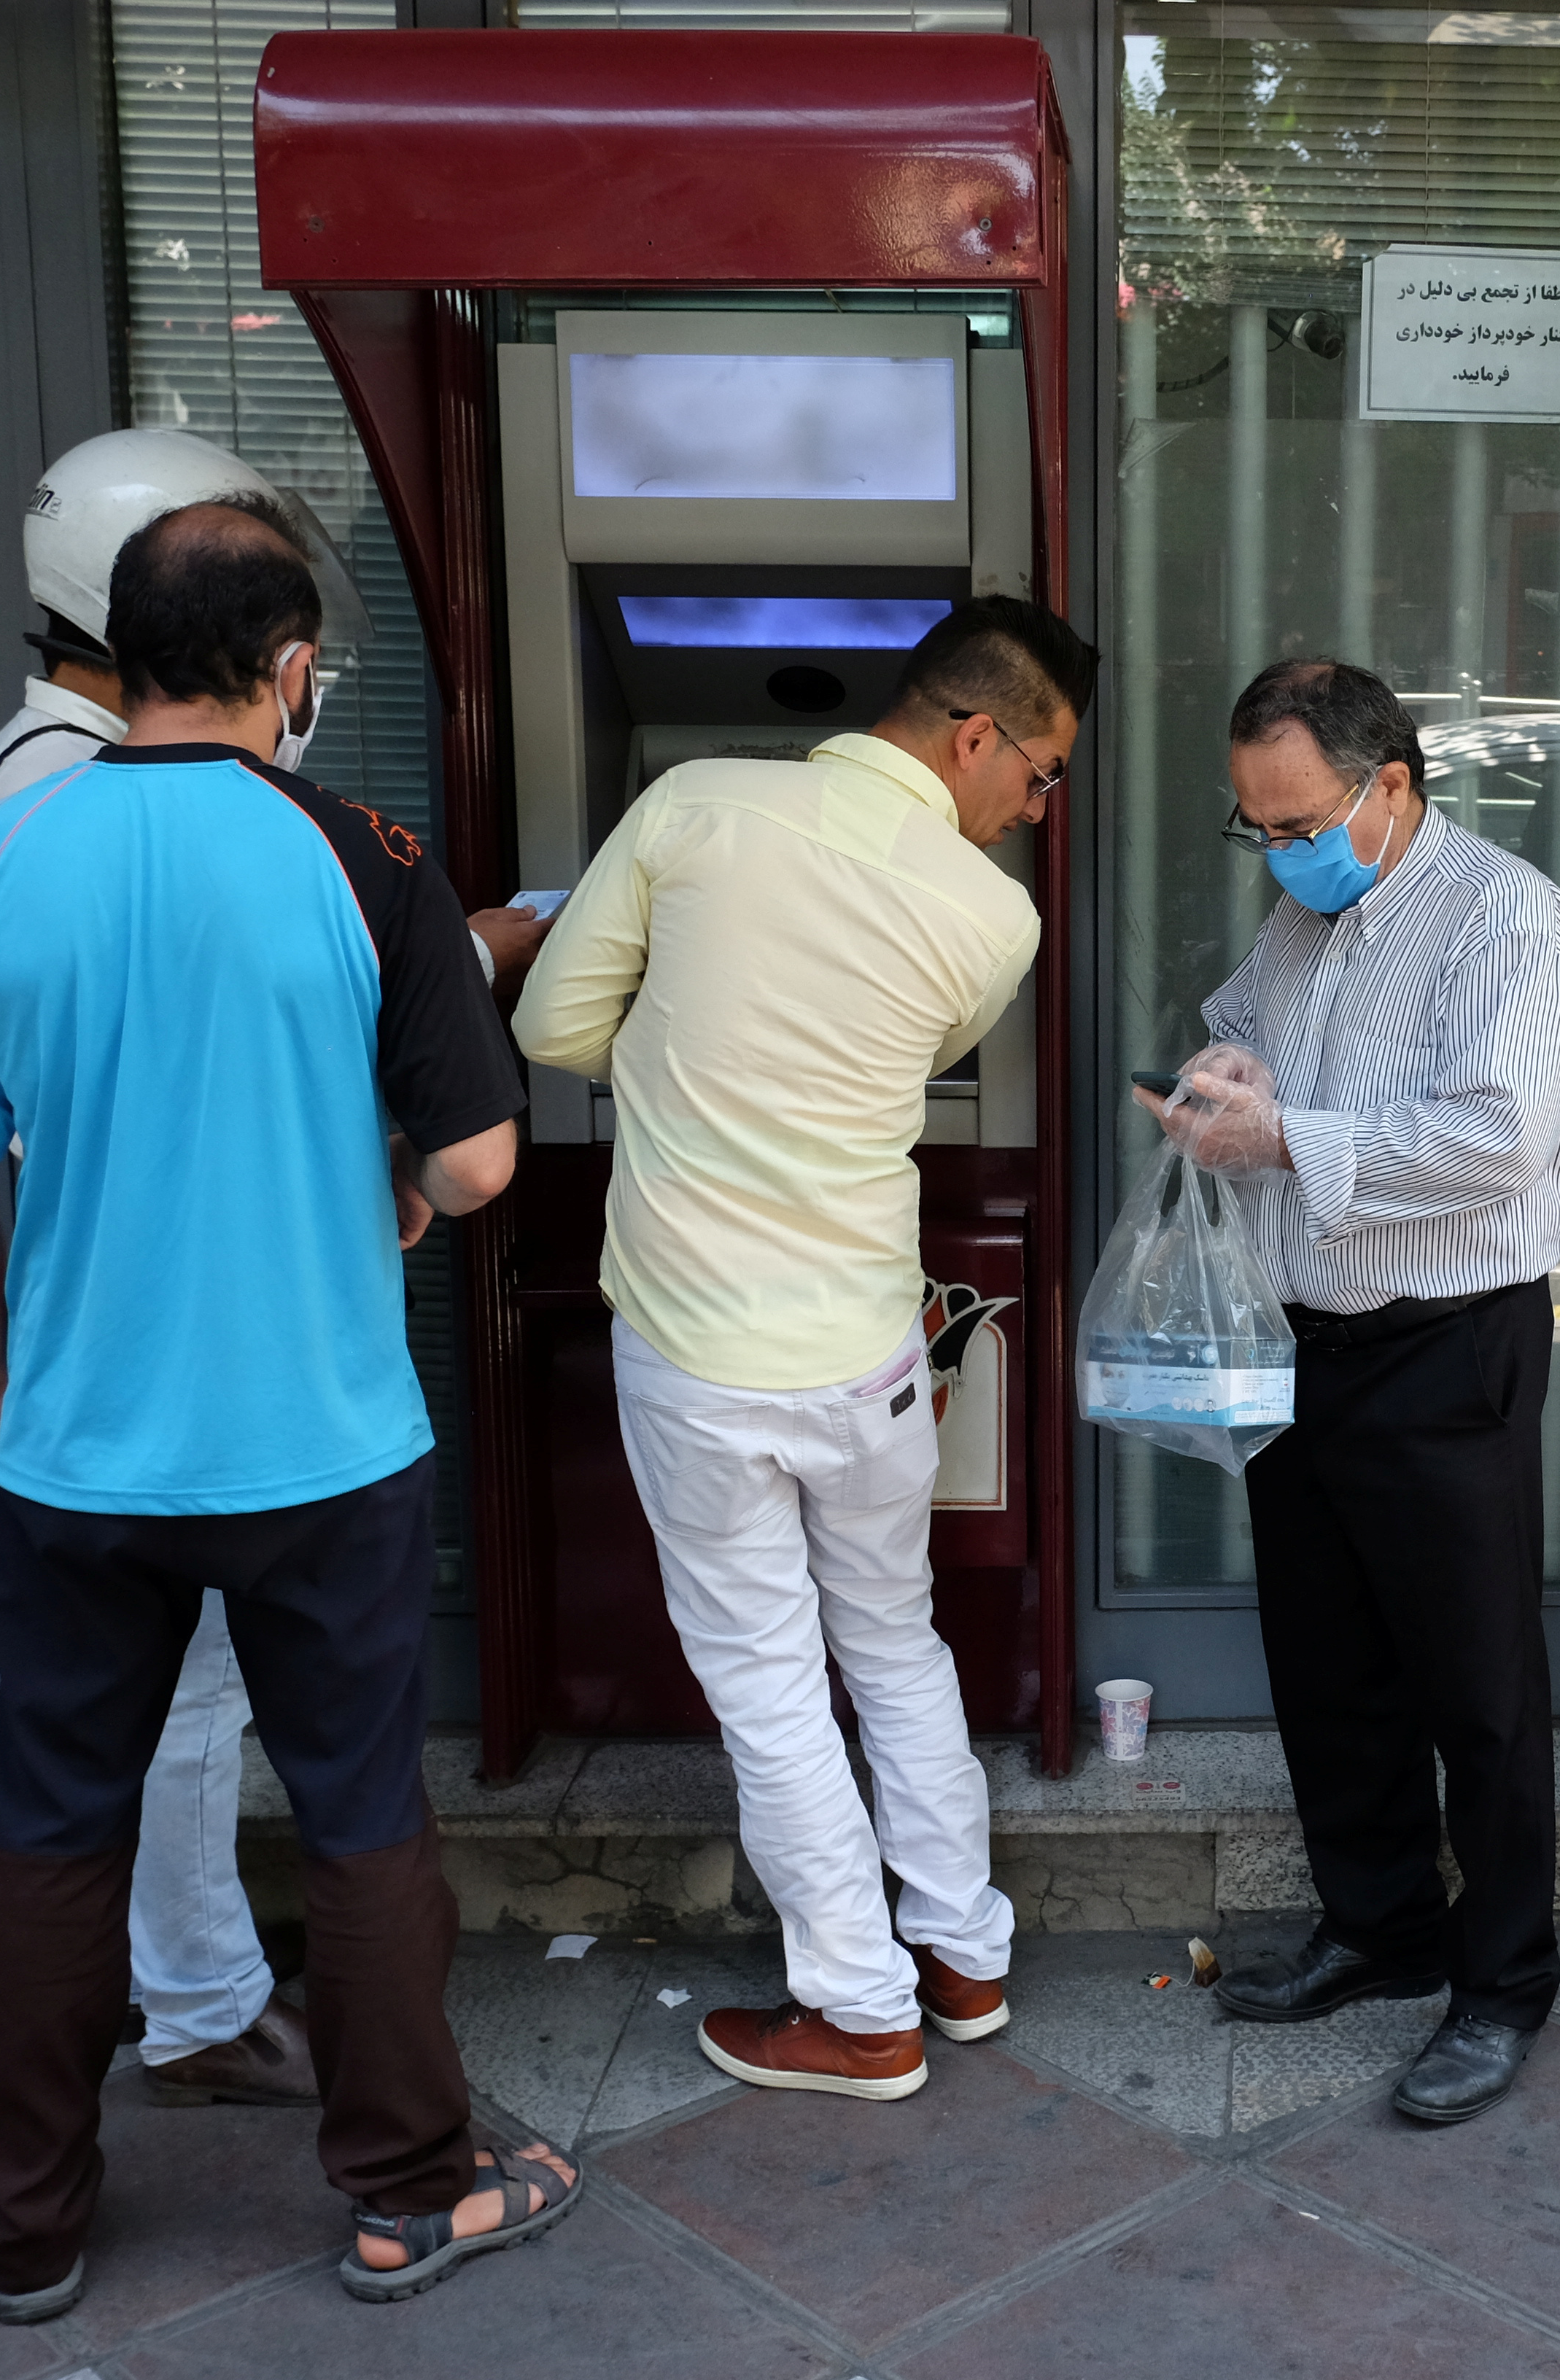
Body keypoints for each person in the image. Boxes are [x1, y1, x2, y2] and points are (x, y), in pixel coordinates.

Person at [0, 497, 567, 2322]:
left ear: (112, 650)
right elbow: (483, 1163)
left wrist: (5, 1374)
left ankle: (22, 2223)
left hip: (80, 1454)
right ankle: (408, 2187)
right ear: (292, 669)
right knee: (357, 1813)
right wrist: (398, 1176)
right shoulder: (367, 859)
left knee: (54, 1821)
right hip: (322, 1448)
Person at [513, 594, 1092, 2104]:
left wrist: (673, 1036)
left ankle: (857, 2009)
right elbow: (897, 1052)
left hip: (703, 1354)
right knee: (895, 1642)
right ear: (975, 737)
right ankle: (961, 1952)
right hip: (871, 1351)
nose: (1035, 813)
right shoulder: (995, 918)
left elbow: (559, 1031)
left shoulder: (694, 801)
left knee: (770, 1680)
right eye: (1038, 779)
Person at [1160, 659, 1560, 2127]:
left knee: (1475, 1684)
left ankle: (1503, 1981)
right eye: (1256, 826)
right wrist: (1225, 1077)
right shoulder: (1309, 912)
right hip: (1313, 1340)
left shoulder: (1508, 918)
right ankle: (1381, 1927)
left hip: (1450, 1342)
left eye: (1293, 820)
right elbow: (1259, 1034)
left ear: (1389, 786)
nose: (1277, 850)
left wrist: (1288, 1140)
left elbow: (1498, 1136)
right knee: (1330, 1663)